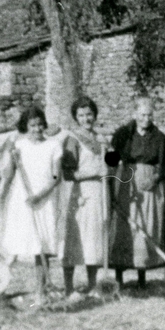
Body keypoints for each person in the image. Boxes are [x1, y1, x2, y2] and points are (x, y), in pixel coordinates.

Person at [105, 97, 165, 289]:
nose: (146, 119)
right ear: (134, 114)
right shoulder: (122, 134)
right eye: (142, 115)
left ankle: (142, 277)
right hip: (126, 182)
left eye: (149, 115)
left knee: (147, 227)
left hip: (149, 186)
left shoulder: (159, 138)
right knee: (124, 227)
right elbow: (110, 160)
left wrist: (154, 179)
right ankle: (119, 276)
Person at [0, 106, 65, 303]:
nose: (37, 129)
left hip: (44, 199)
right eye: (32, 125)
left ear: (44, 124)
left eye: (39, 124)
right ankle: (1, 287)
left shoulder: (54, 145)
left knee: (41, 246)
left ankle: (41, 292)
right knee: (22, 243)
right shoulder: (19, 146)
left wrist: (41, 195)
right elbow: (9, 174)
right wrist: (11, 158)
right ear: (26, 126)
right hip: (23, 199)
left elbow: (56, 177)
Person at [61, 96, 109, 298]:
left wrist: (111, 163)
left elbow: (111, 164)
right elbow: (67, 173)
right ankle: (69, 288)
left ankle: (92, 285)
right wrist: (94, 174)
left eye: (89, 114)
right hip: (82, 193)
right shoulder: (73, 140)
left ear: (95, 115)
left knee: (95, 240)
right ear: (76, 118)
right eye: (81, 115)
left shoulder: (101, 139)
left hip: (100, 192)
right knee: (76, 239)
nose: (86, 118)